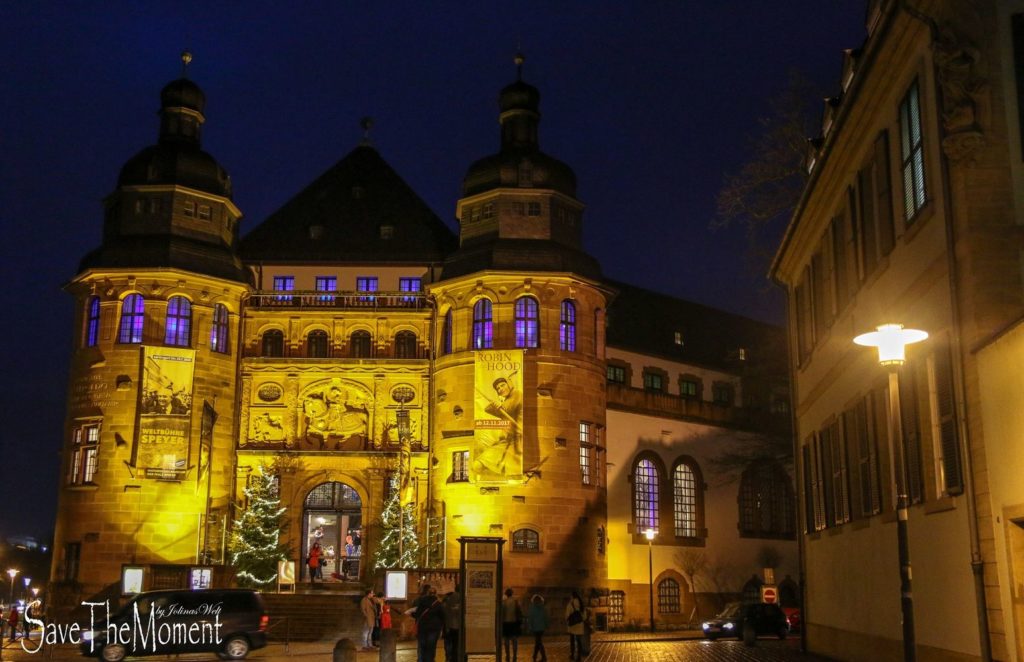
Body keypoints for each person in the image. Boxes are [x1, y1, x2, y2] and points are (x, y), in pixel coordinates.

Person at [405, 583, 444, 662]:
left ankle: (420, 659)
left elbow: (417, 614)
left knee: (421, 645)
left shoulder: (421, 602)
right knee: (431, 646)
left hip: (422, 627)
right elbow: (442, 616)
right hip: (434, 628)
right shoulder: (438, 604)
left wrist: (412, 614)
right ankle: (430, 660)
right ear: (435, 594)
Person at [442, 585, 462, 662]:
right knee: (457, 644)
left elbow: (445, 613)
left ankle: (449, 658)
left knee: (450, 644)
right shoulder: (463, 597)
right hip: (458, 626)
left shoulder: (448, 599)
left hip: (449, 626)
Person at [501, 588, 522, 662]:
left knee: (506, 640)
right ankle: (515, 655)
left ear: (506, 594)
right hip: (514, 623)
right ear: (512, 593)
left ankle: (507, 655)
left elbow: (502, 613)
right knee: (514, 640)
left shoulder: (504, 602)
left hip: (506, 623)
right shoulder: (516, 602)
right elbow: (519, 611)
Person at [565, 591, 586, 661]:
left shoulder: (570, 604)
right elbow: (584, 616)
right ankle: (579, 656)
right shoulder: (581, 604)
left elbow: (567, 615)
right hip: (580, 625)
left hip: (572, 625)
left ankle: (572, 654)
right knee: (579, 641)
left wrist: (568, 621)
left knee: (572, 641)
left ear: (572, 596)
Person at [526, 594, 548, 662]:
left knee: (539, 642)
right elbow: (546, 618)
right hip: (542, 628)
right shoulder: (543, 608)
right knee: (538, 642)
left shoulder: (532, 608)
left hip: (535, 628)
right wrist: (546, 625)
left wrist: (529, 627)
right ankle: (535, 656)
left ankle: (543, 657)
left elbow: (530, 618)